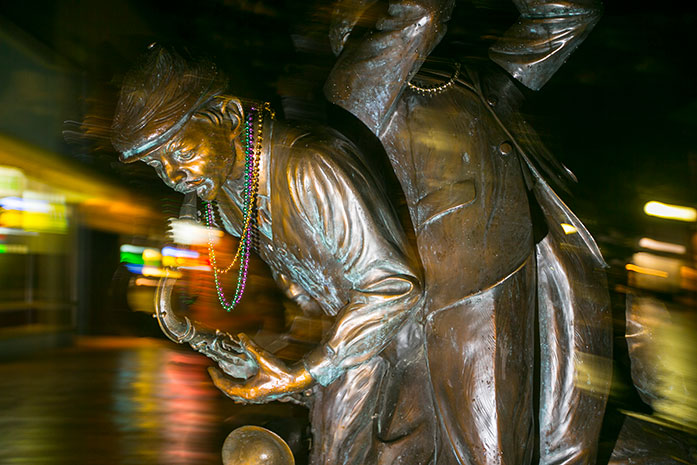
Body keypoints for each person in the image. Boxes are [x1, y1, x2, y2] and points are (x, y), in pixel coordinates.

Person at [112, 46, 437, 465]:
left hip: (406, 343)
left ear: (228, 118)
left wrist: (303, 372)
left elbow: (394, 286)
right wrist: (273, 353)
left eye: (182, 154)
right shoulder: (229, 198)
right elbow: (305, 289)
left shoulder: (310, 166)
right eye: (159, 167)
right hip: (349, 347)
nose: (175, 178)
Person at [323, 0, 611, 464]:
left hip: (537, 266)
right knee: (495, 453)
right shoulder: (355, 88)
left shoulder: (476, 81)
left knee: (559, 437)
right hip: (464, 293)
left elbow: (570, 14)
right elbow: (422, 12)